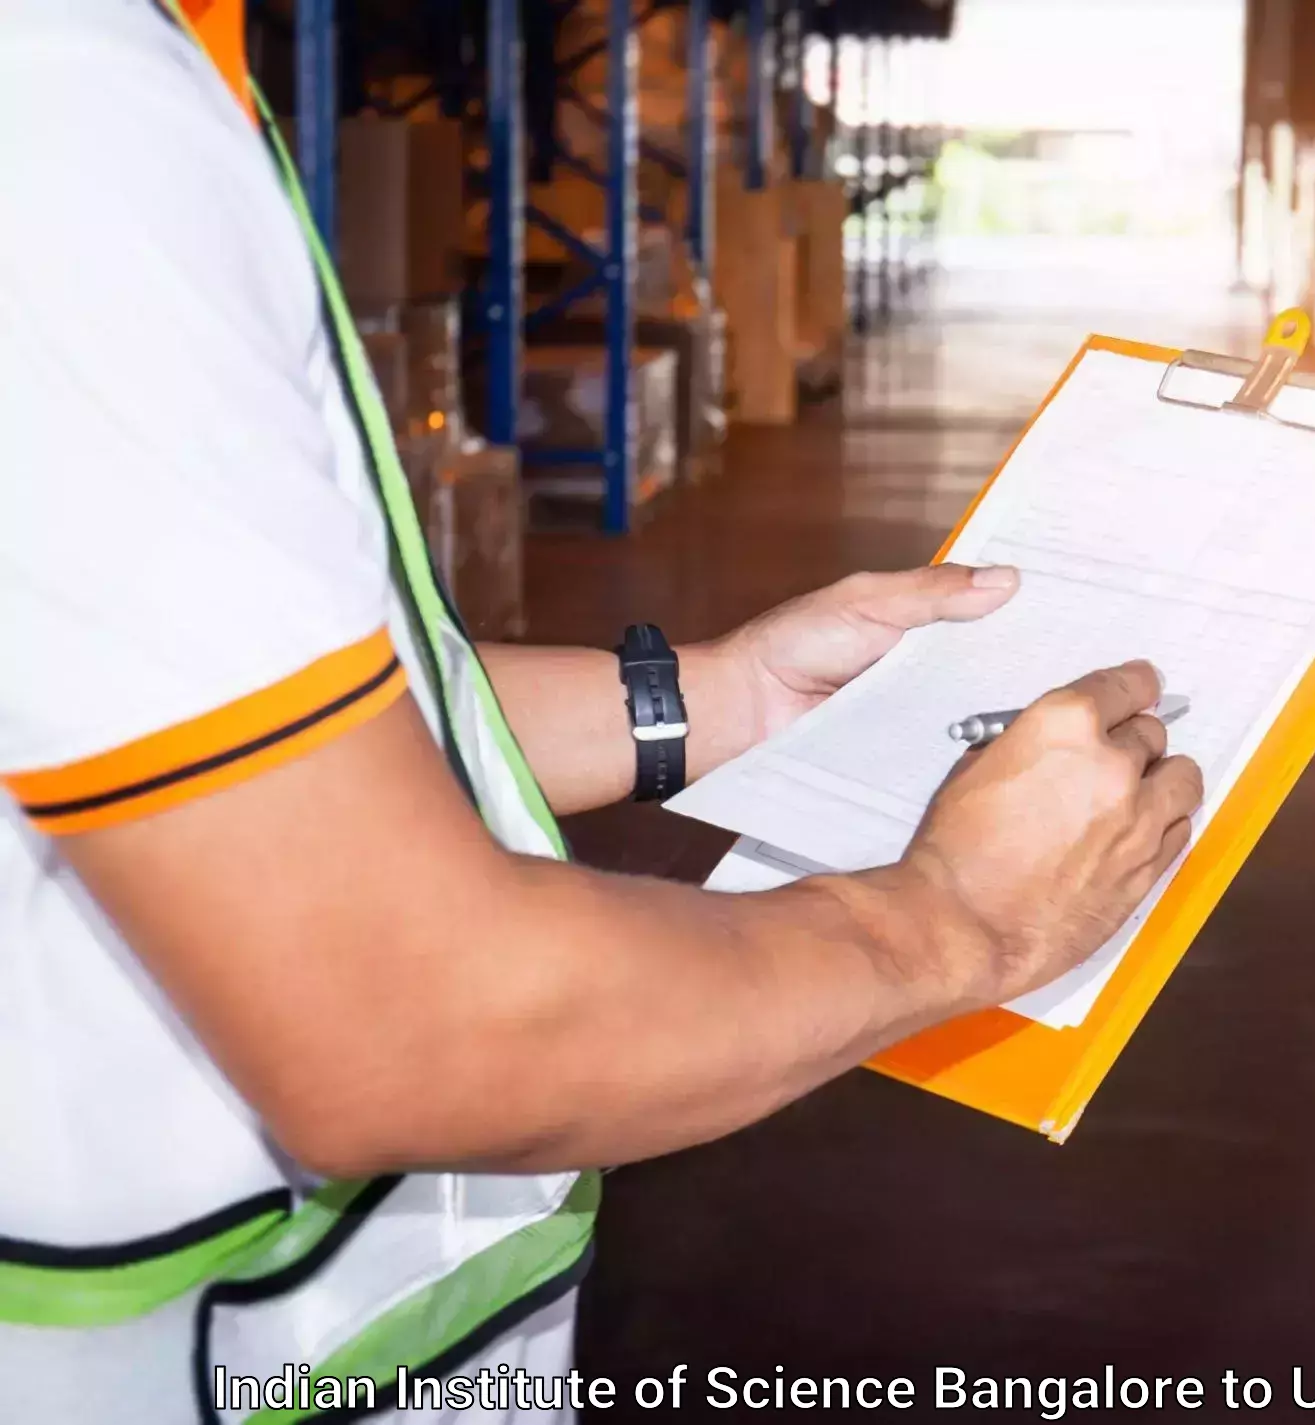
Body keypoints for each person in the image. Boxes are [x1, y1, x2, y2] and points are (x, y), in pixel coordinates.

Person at [0, 2, 1203, 1420]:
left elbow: (200, 719)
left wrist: (727, 697)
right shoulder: (62, 110)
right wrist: (955, 921)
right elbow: (412, 1023)